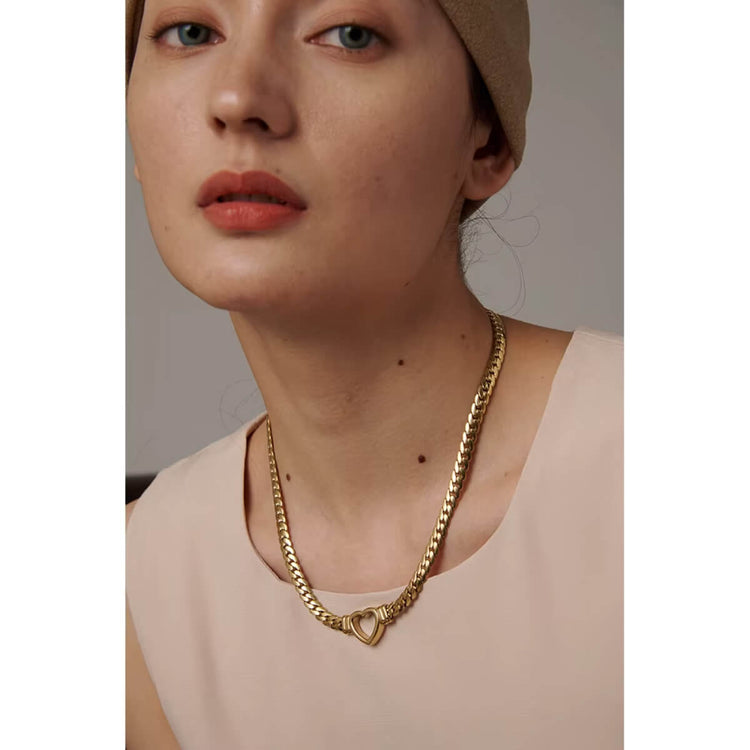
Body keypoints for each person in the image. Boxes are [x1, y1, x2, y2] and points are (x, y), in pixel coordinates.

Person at [125, 0, 623, 748]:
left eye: (349, 34)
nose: (237, 99)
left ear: (486, 138)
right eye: (190, 32)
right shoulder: (136, 590)